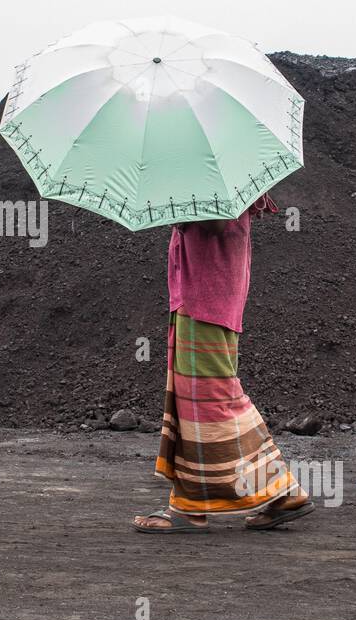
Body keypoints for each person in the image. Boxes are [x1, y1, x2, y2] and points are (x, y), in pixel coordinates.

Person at [133, 192, 314, 533]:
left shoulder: (210, 180)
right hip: (205, 298)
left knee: (215, 400)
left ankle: (281, 491)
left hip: (205, 300)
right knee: (198, 404)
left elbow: (216, 220)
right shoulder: (221, 172)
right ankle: (193, 504)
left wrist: (179, 209)